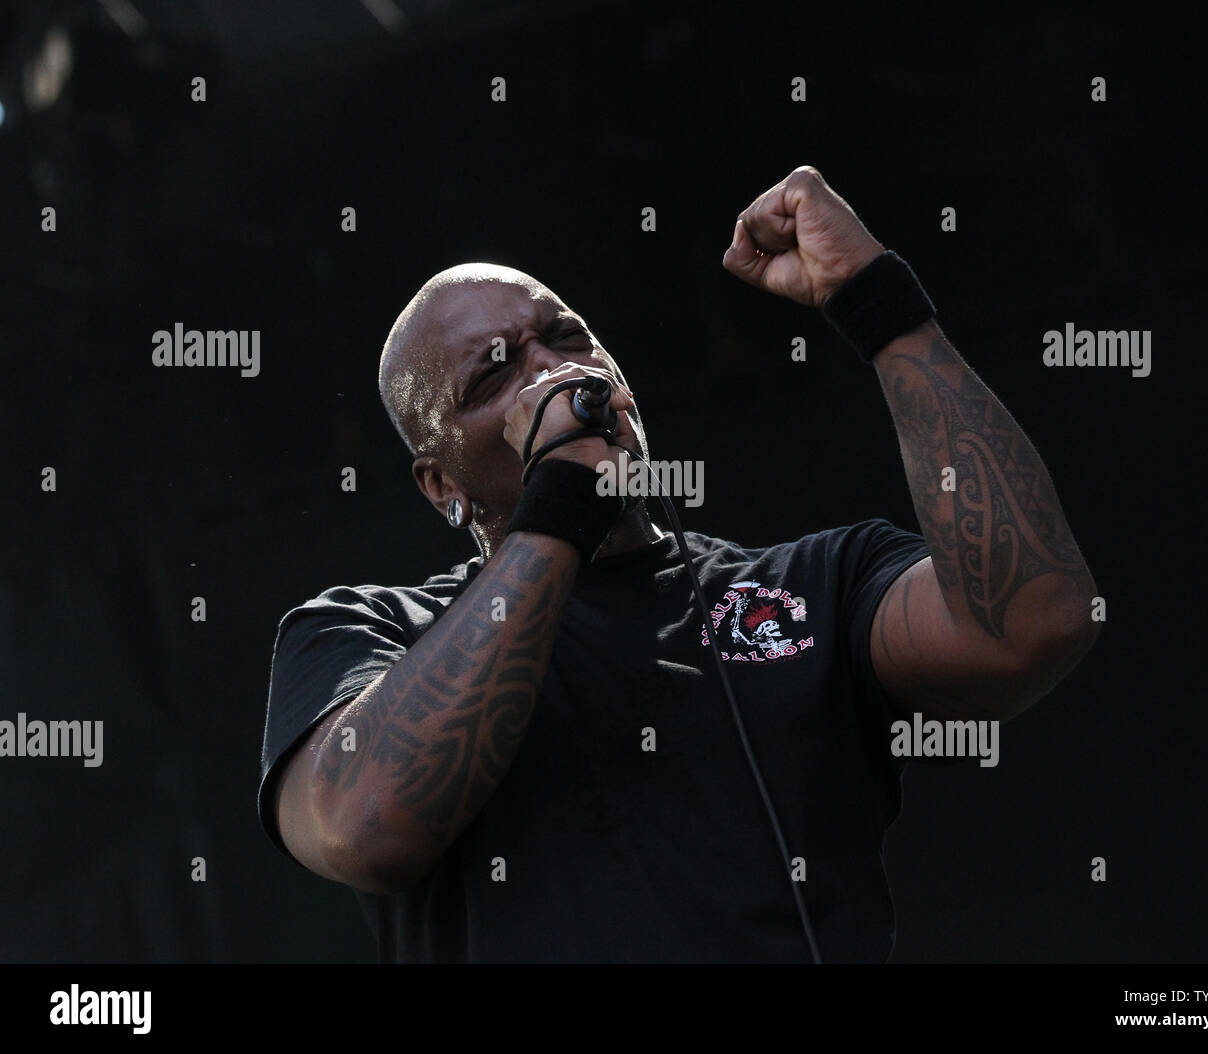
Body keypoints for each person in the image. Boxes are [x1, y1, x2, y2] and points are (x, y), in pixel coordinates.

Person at [257, 165, 1099, 962]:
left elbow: (1033, 624)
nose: (556, 372)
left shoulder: (806, 589)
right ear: (442, 484)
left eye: (566, 336)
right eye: (496, 374)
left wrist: (882, 306)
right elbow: (364, 825)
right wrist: (558, 505)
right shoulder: (370, 634)